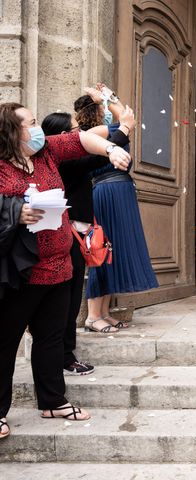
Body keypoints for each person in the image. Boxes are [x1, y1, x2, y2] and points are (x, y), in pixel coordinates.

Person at [0, 102, 131, 439]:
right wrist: (16, 212)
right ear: (12, 132)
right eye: (31, 123)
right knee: (5, 342)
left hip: (59, 266)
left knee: (51, 337)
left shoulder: (45, 152)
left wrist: (113, 148)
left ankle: (53, 401)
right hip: (22, 272)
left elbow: (84, 141)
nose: (37, 127)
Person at [42, 108, 134, 372]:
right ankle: (64, 357)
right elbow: (95, 159)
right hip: (66, 237)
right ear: (62, 137)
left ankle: (64, 355)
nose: (80, 135)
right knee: (66, 302)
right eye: (75, 131)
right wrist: (125, 128)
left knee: (69, 301)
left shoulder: (55, 160)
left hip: (73, 235)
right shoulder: (64, 162)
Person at [76, 85, 158, 331]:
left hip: (116, 191)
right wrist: (107, 95)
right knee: (102, 251)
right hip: (109, 194)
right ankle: (93, 316)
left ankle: (103, 312)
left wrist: (106, 95)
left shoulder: (98, 131)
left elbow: (123, 116)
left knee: (110, 252)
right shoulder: (101, 131)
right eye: (103, 106)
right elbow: (126, 116)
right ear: (98, 110)